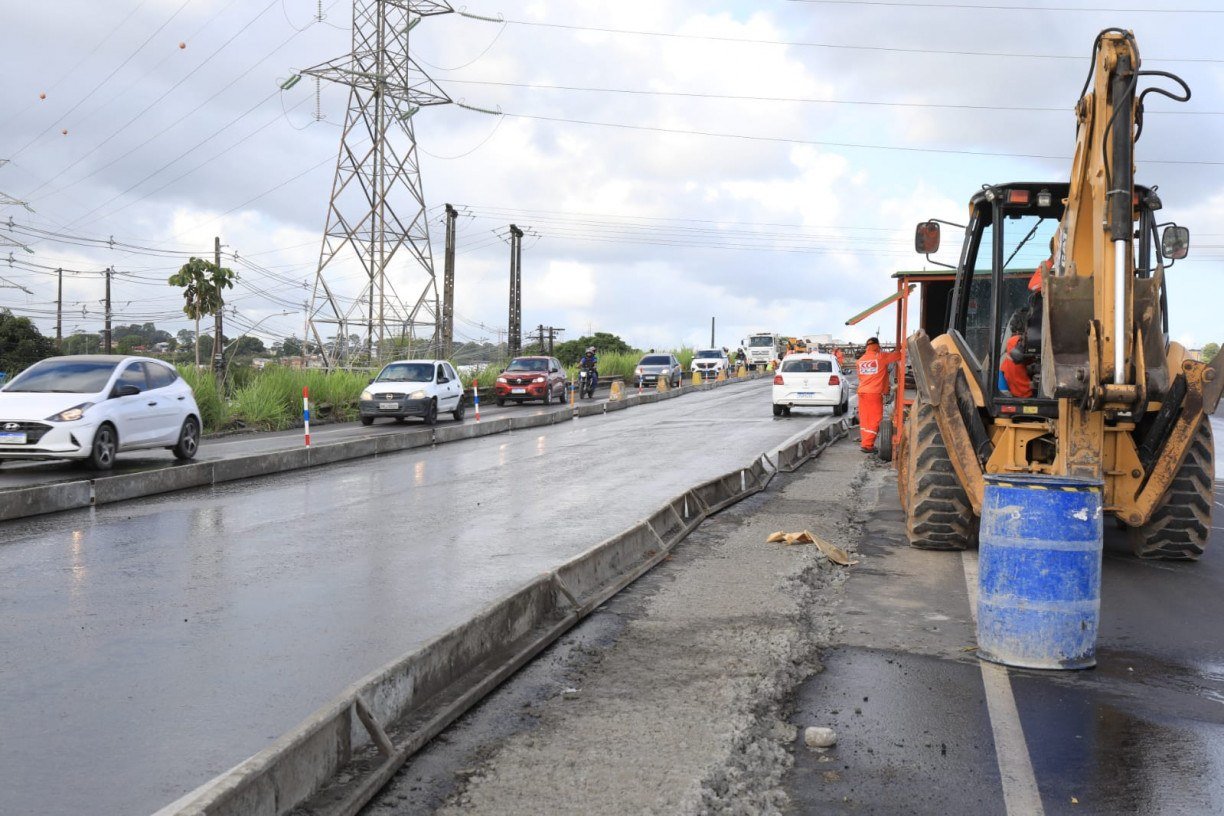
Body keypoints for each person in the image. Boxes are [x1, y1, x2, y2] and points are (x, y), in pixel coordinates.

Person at [856, 337, 902, 453]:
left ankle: (865, 443)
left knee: (865, 419)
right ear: (877, 346)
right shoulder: (881, 357)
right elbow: (898, 355)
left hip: (862, 392)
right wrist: (902, 347)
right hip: (874, 393)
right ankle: (868, 445)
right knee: (876, 418)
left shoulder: (861, 360)